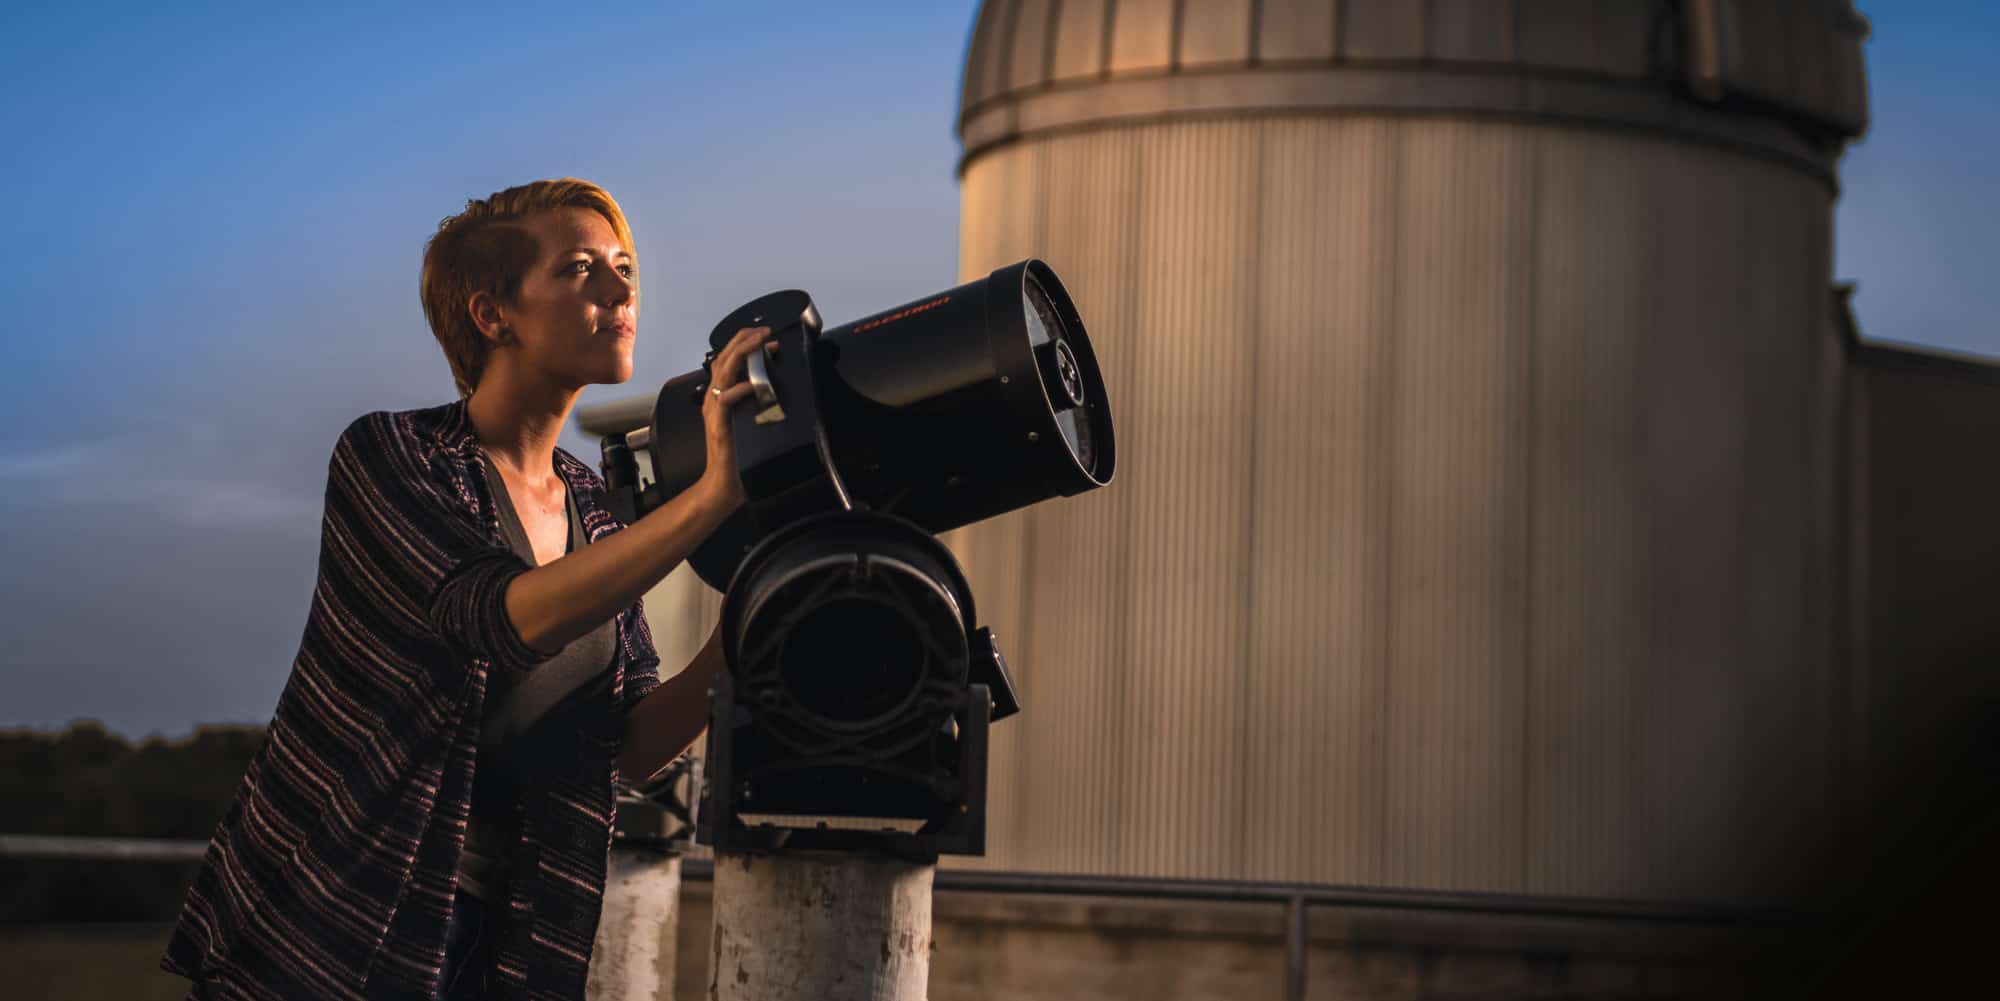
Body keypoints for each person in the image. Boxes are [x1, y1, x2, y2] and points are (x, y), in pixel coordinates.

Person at [160, 178, 772, 1000]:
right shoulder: (392, 455)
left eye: (624, 266)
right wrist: (706, 503)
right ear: (494, 315)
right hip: (346, 923)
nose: (621, 288)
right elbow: (496, 614)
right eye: (580, 269)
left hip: (516, 937)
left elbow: (623, 745)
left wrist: (751, 621)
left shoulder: (592, 504)